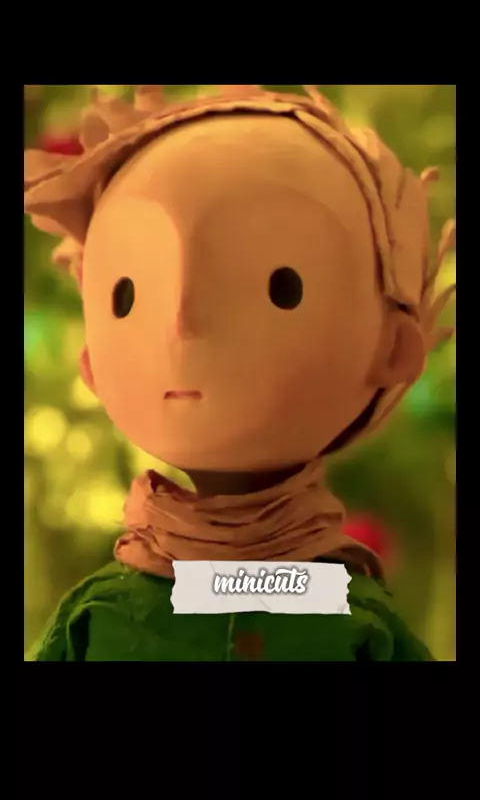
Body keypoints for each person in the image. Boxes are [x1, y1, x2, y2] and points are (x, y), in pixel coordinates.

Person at [24, 85, 455, 661]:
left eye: (283, 287)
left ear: (395, 347)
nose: (182, 323)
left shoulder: (356, 620)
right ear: (90, 366)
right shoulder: (96, 617)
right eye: (126, 296)